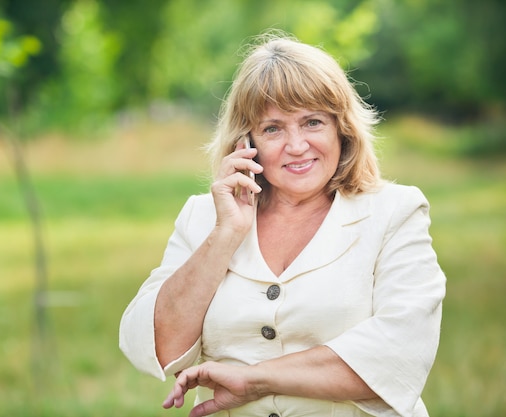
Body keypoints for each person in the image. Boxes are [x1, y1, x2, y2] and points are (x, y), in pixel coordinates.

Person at [119, 33, 446, 417]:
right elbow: (158, 348)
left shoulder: (394, 211)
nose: (296, 145)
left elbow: (399, 352)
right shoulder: (204, 217)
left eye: (312, 122)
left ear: (342, 129)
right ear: (247, 140)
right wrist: (226, 234)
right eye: (273, 128)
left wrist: (256, 379)